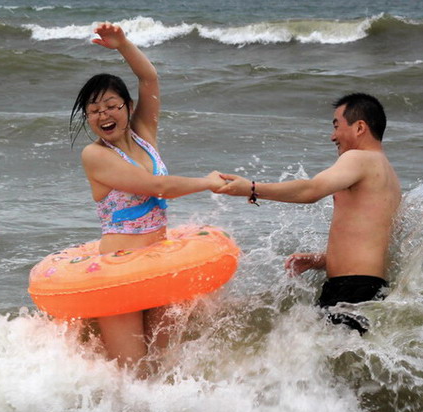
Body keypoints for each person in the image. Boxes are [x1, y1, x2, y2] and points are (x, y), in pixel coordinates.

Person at [71, 22, 226, 375]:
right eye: (94, 112)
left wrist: (123, 44)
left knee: (163, 367)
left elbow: (150, 80)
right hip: (120, 269)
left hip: (158, 261)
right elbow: (156, 187)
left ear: (127, 107)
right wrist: (206, 182)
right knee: (133, 373)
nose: (103, 115)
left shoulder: (144, 135)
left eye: (111, 106)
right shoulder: (94, 156)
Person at [218, 93, 401, 334]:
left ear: (359, 127)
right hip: (368, 288)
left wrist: (252, 189)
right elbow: (371, 240)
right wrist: (323, 260)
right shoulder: (388, 175)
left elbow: (312, 189)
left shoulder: (359, 158)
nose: (332, 136)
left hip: (350, 290)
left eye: (336, 126)